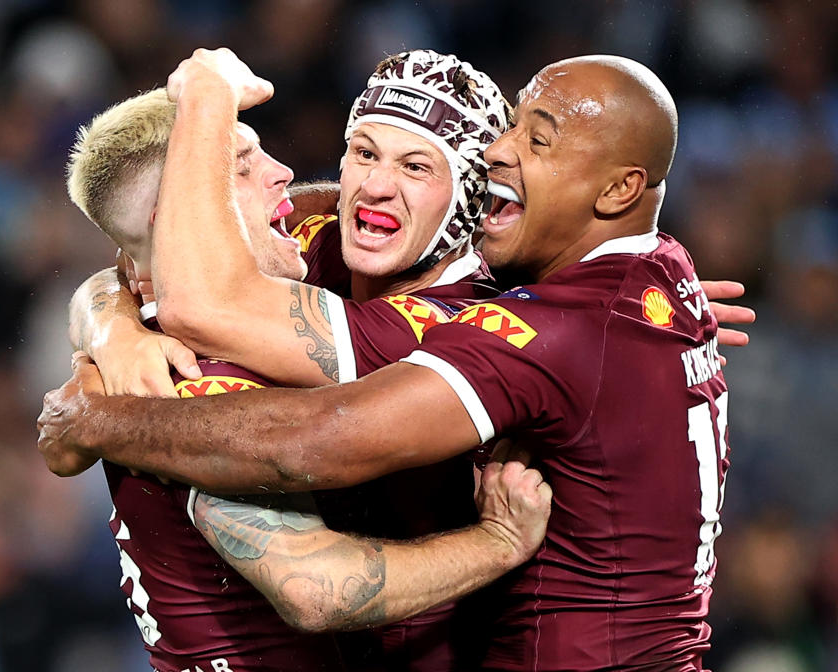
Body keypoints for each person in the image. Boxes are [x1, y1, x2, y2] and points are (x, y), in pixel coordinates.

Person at [40, 54, 735, 670]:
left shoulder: (488, 320)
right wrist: (111, 316)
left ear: (462, 199)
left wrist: (100, 419)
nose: (367, 187)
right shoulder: (308, 253)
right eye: (363, 153)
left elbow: (311, 438)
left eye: (415, 166)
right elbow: (149, 262)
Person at [63, 85, 552, 672]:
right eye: (242, 168)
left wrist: (107, 321)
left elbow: (127, 271)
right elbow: (315, 587)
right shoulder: (191, 376)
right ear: (177, 222)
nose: (283, 174)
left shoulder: (258, 287)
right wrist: (498, 541)